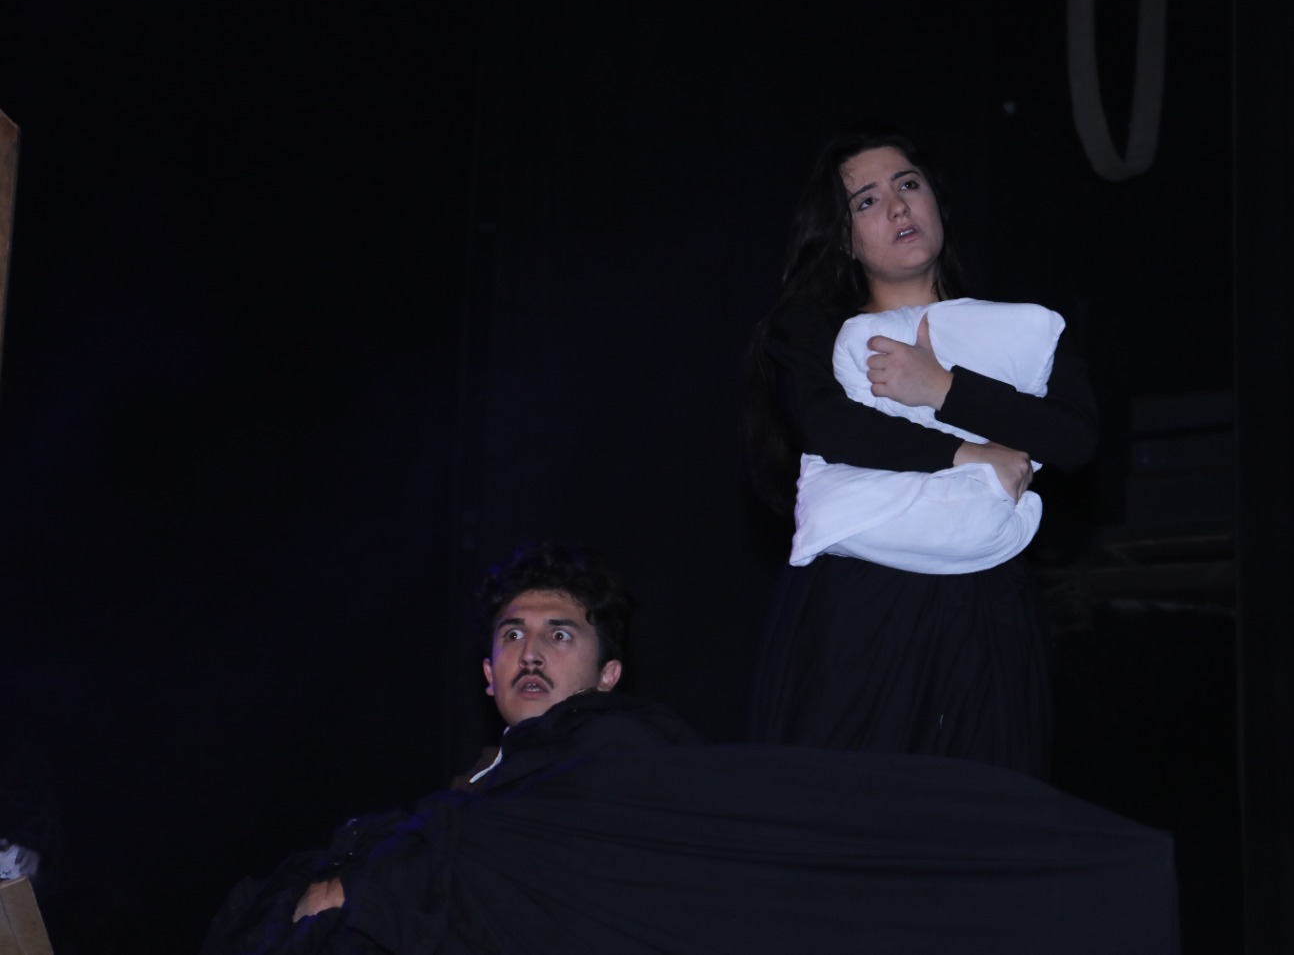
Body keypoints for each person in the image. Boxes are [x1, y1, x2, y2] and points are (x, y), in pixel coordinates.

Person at [204, 542, 1177, 955]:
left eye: (560, 633)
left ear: (608, 672)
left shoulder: (623, 762)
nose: (531, 651)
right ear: (486, 672)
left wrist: (378, 885)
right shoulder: (471, 791)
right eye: (511, 635)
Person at [746, 125, 1098, 779]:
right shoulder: (810, 328)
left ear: (936, 199)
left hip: (985, 594)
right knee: (847, 800)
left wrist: (942, 388)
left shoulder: (1019, 330)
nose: (897, 207)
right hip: (860, 596)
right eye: (866, 201)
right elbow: (830, 426)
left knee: (983, 801)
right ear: (844, 237)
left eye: (908, 184)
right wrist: (972, 453)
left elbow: (1072, 438)